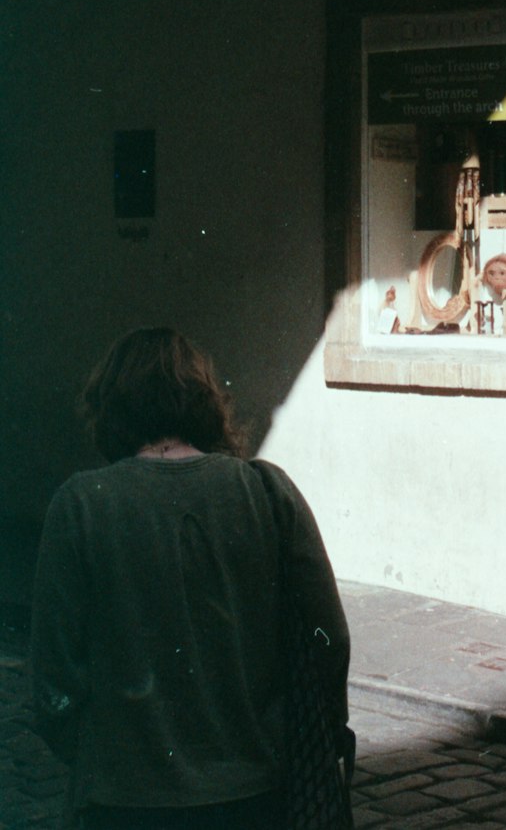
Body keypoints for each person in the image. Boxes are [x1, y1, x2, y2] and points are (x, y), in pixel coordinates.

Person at [31, 327, 351, 830]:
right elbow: (328, 639)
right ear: (203, 401)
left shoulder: (80, 505)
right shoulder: (267, 492)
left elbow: (54, 677)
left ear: (111, 406)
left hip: (124, 802)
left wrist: (102, 760)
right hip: (255, 796)